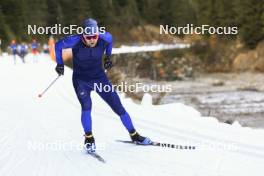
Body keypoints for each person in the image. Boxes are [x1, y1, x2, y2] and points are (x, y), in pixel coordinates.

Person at [55, 18, 151, 153]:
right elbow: (58, 46)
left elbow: (110, 42)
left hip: (100, 79)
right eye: (88, 37)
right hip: (81, 81)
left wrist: (108, 57)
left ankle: (134, 135)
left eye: (94, 37)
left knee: (118, 106)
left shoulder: (105, 37)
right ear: (83, 35)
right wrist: (59, 64)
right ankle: (89, 138)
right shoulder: (74, 40)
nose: (92, 40)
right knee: (86, 106)